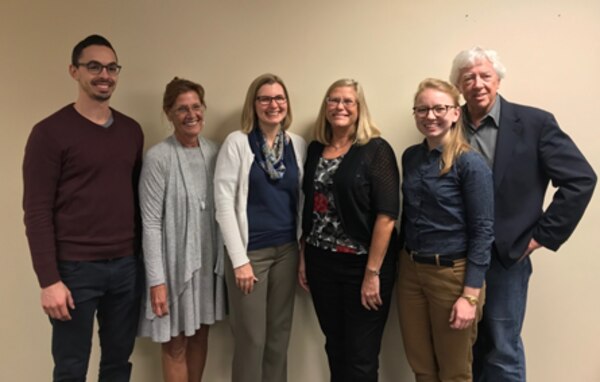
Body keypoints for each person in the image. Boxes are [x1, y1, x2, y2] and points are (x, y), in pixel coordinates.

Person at [449, 47, 597, 382]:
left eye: (485, 75)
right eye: (468, 77)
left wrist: (540, 238)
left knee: (502, 350)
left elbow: (581, 180)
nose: (477, 84)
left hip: (506, 258)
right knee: (462, 350)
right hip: (456, 258)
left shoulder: (534, 123)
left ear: (498, 80)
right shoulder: (447, 122)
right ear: (458, 85)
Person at [22, 34, 143, 381]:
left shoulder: (131, 131)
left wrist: (136, 262)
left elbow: (131, 199)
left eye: (111, 67)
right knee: (71, 367)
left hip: (124, 268)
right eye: (94, 66)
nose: (104, 75)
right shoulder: (49, 133)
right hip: (74, 271)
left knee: (119, 364)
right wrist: (49, 280)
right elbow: (37, 211)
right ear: (74, 71)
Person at [300, 78, 399, 382]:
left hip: (363, 266)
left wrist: (372, 273)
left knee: (361, 356)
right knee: (336, 347)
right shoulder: (316, 149)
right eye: (333, 100)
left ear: (359, 109)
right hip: (321, 264)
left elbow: (387, 215)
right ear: (325, 107)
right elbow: (310, 208)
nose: (340, 107)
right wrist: (305, 257)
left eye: (348, 101)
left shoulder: (375, 149)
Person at [397, 78, 494, 382]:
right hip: (411, 271)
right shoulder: (410, 157)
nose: (430, 116)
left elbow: (483, 230)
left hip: (452, 275)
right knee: (422, 366)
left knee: (454, 372)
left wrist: (470, 296)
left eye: (439, 108)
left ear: (455, 113)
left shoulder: (470, 163)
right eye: (422, 109)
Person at [214, 73, 306, 382]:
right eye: (265, 98)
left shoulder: (297, 145)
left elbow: (302, 200)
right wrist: (239, 260)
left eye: (279, 98)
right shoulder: (237, 142)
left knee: (279, 338)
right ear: (253, 104)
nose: (273, 104)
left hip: (287, 251)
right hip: (250, 255)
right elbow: (223, 205)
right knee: (251, 341)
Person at [137, 78, 226, 381]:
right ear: (168, 113)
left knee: (200, 336)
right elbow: (149, 222)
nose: (191, 114)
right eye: (181, 109)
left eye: (196, 107)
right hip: (173, 268)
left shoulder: (215, 153)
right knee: (176, 345)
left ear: (204, 108)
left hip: (206, 265)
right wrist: (157, 281)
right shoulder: (158, 158)